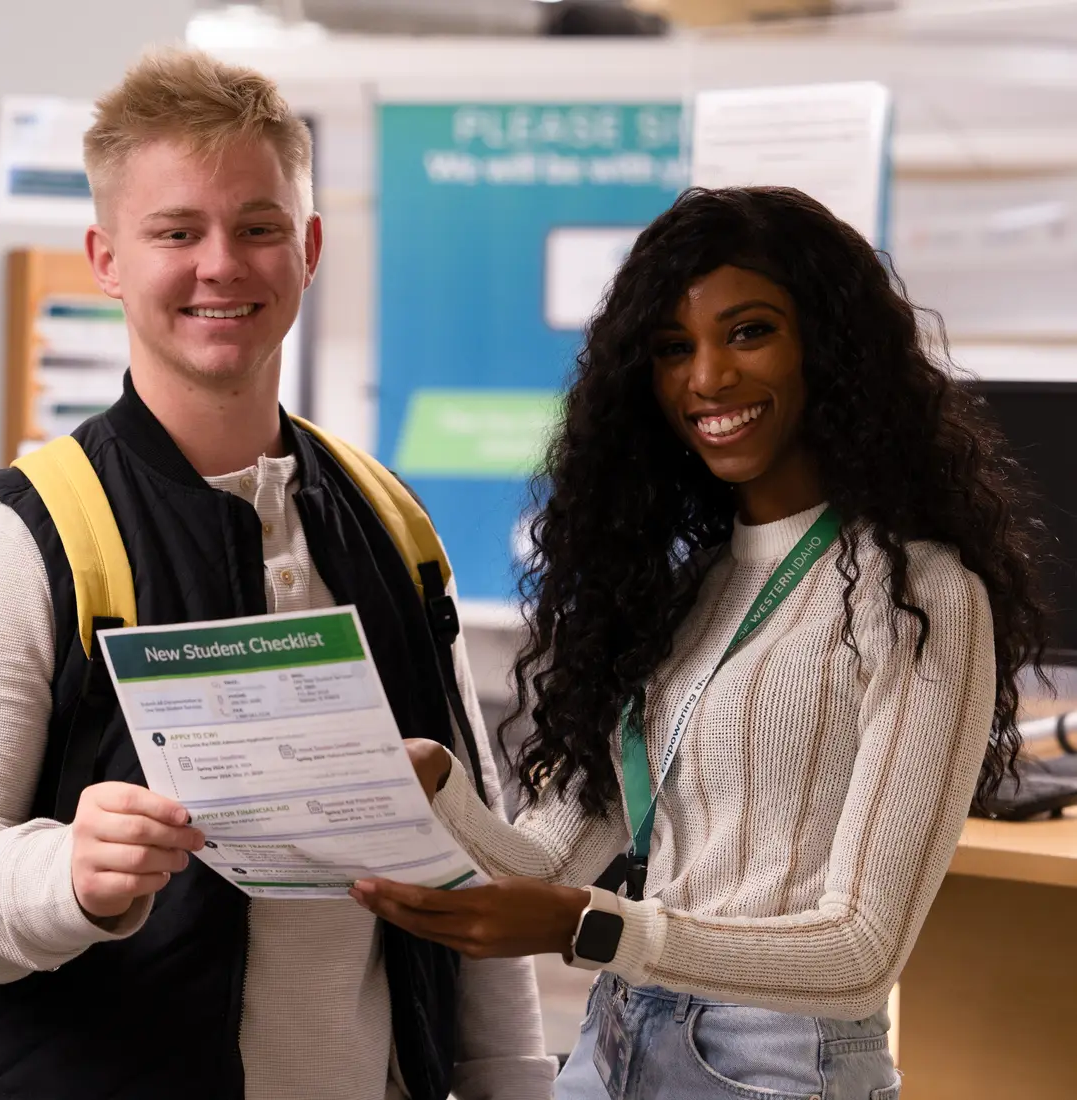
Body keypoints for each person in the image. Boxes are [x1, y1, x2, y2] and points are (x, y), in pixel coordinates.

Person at [350, 186, 1047, 1099]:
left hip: (778, 1062)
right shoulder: (687, 594)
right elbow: (546, 863)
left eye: (748, 332)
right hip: (618, 1033)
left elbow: (861, 952)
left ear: (829, 350)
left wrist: (589, 926)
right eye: (674, 349)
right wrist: (438, 783)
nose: (707, 378)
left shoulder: (920, 596)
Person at [0, 49, 553, 1100]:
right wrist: (69, 876)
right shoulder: (21, 535)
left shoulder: (391, 521)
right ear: (106, 256)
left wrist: (514, 1081)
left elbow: (473, 847)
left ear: (309, 246)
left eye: (257, 226)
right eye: (176, 231)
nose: (221, 265)